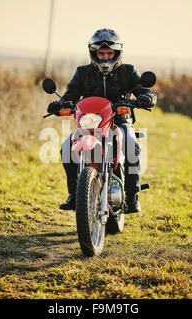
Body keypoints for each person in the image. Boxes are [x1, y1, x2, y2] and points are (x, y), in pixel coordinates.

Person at [47, 28, 157, 213]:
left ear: (116, 53)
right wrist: (59, 104)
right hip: (90, 123)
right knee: (67, 147)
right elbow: (70, 95)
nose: (105, 57)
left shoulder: (128, 71)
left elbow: (143, 90)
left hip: (120, 120)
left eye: (109, 53)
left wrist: (148, 97)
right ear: (94, 53)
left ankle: (131, 196)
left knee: (131, 145)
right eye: (101, 53)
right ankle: (75, 194)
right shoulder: (83, 72)